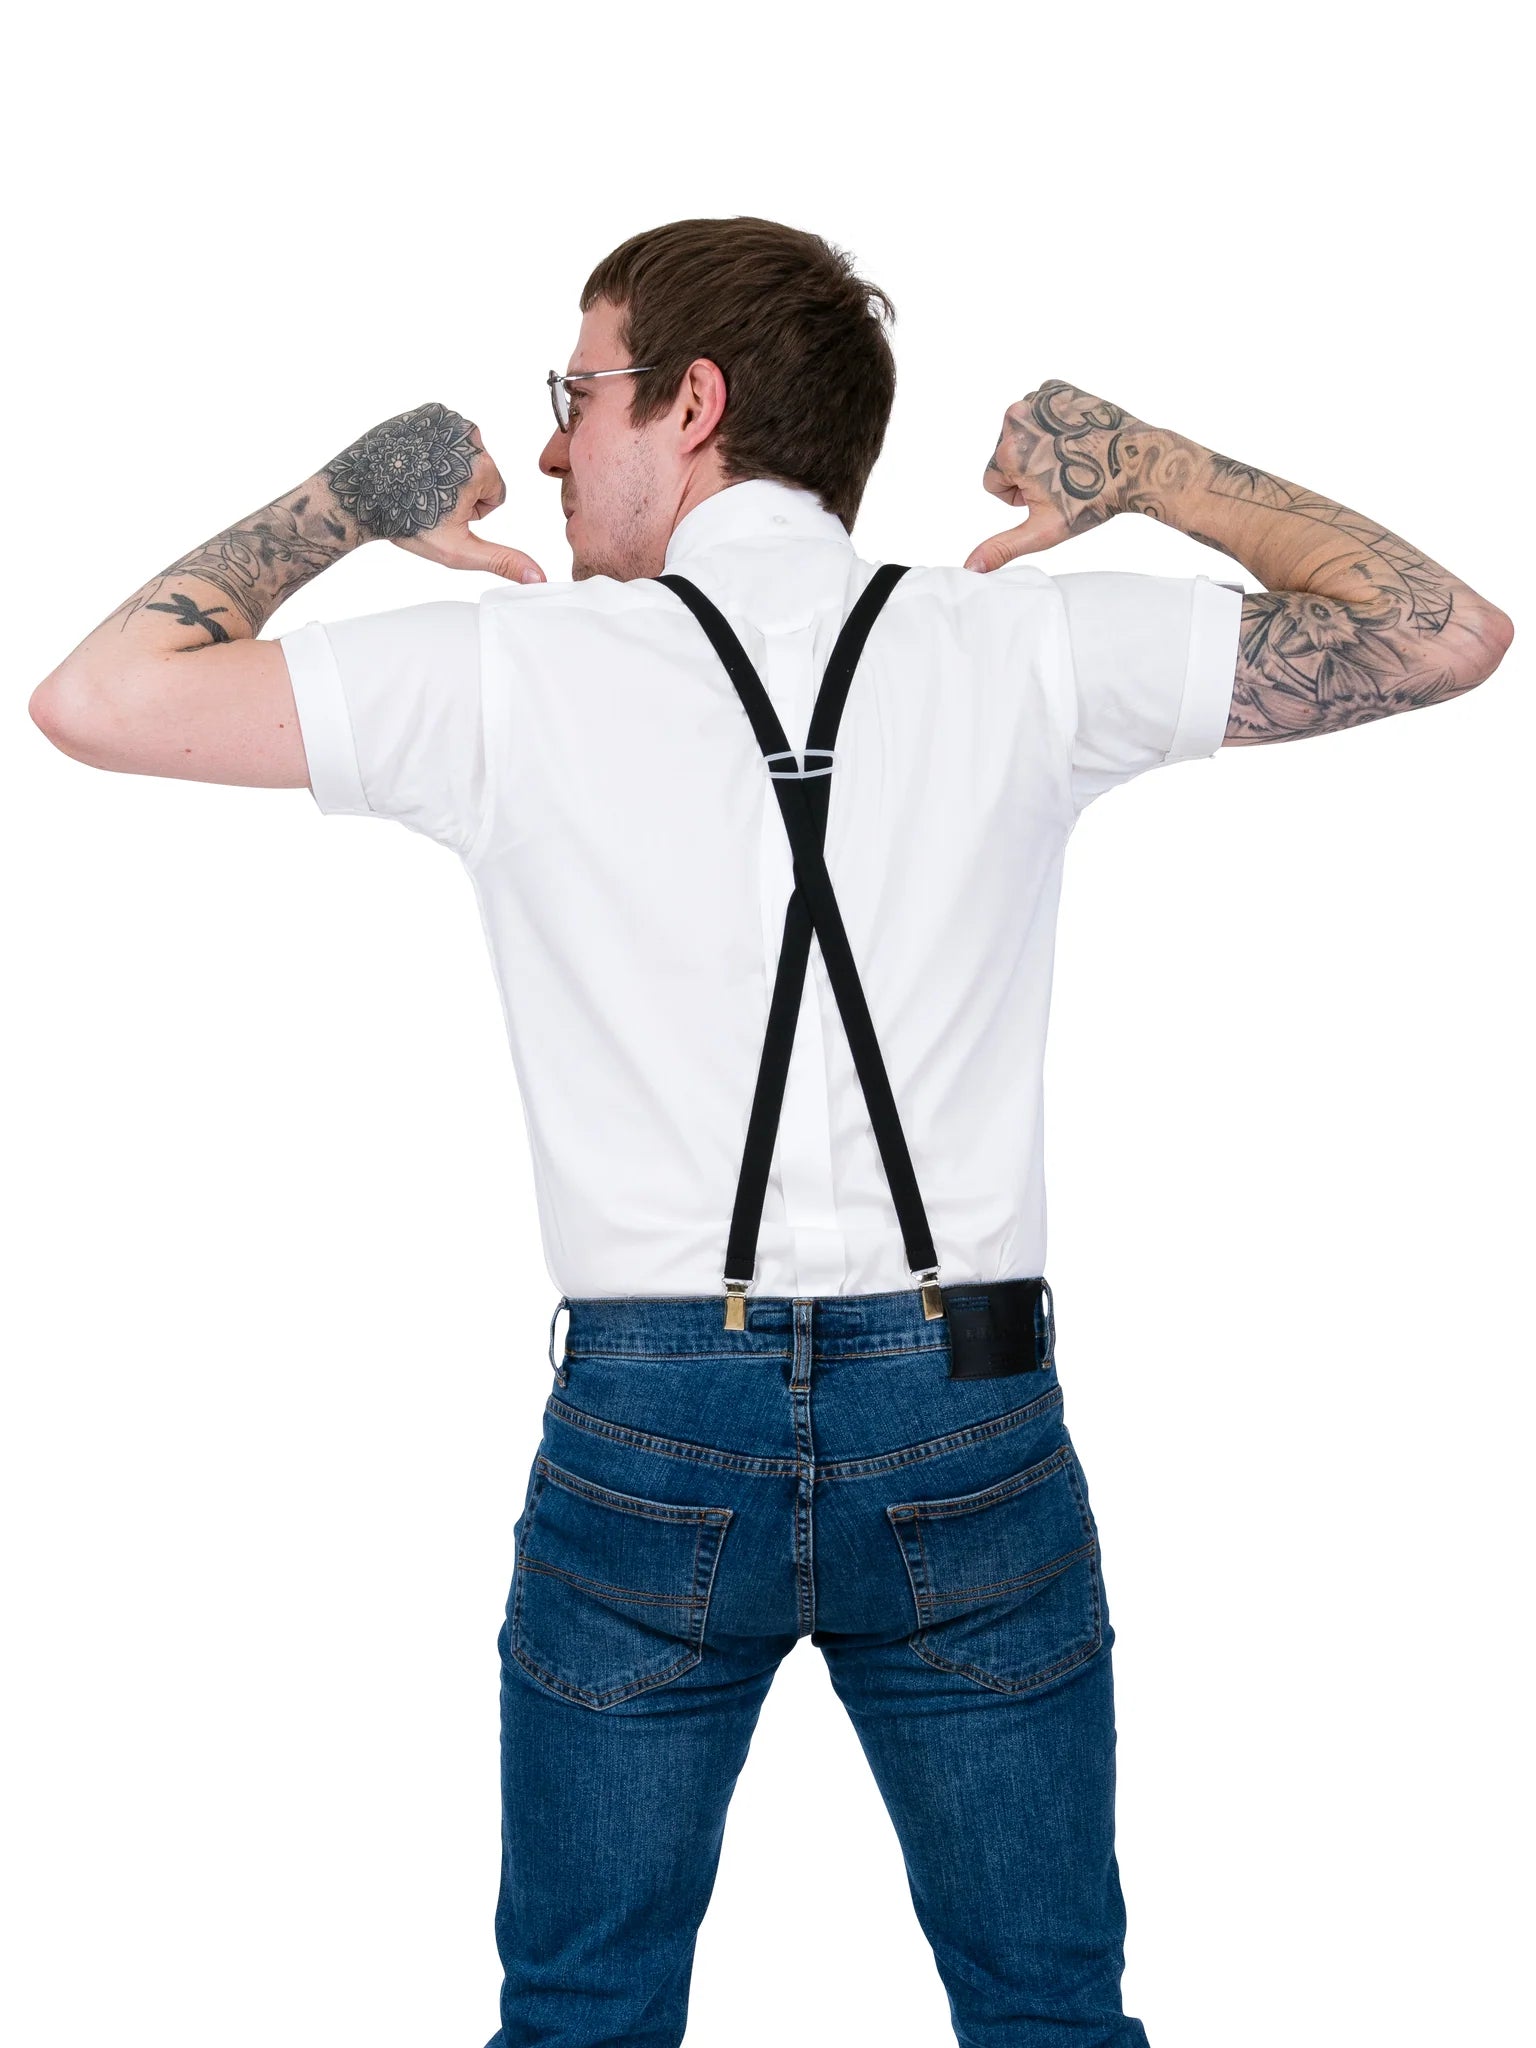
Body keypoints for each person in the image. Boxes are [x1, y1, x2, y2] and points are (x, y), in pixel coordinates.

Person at [28, 216, 1514, 2048]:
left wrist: (357, 492)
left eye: (578, 393)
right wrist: (1143, 466)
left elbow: (98, 698)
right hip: (967, 1408)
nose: (551, 448)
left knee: (581, 2018)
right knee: (1053, 2015)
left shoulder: (509, 677)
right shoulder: (1018, 650)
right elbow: (1439, 632)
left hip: (651, 1423)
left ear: (693, 404)